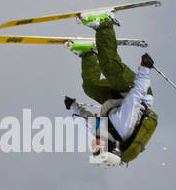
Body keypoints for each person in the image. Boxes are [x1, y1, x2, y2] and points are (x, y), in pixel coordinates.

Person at [62, 18, 159, 167]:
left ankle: (88, 53)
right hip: (135, 90)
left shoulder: (102, 133)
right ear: (110, 149)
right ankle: (104, 23)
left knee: (90, 87)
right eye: (97, 151)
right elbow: (135, 96)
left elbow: (86, 119)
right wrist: (144, 69)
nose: (93, 147)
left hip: (118, 98)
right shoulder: (122, 125)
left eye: (93, 151)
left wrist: (73, 106)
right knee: (109, 66)